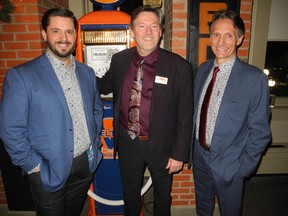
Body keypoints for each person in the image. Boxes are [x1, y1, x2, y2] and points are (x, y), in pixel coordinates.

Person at [0, 8, 103, 216]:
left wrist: (96, 143)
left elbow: (96, 111)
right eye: (56, 31)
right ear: (44, 34)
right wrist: (33, 165)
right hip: (47, 168)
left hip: (85, 163)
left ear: (76, 35)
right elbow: (11, 129)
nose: (64, 38)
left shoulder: (87, 73)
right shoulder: (22, 76)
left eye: (69, 32)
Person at [99, 5, 193, 216]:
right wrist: (75, 73)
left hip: (161, 145)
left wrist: (179, 154)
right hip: (127, 142)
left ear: (160, 31)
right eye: (142, 26)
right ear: (132, 32)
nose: (148, 32)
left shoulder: (179, 67)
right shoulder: (120, 59)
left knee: (162, 196)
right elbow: (103, 85)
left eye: (153, 26)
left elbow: (186, 115)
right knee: (130, 194)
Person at [188, 10, 271, 216]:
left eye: (228, 35)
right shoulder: (203, 69)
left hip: (231, 165)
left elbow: (260, 132)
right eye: (216, 34)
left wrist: (243, 169)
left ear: (239, 39)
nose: (221, 41)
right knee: (203, 210)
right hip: (200, 158)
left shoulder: (254, 79)